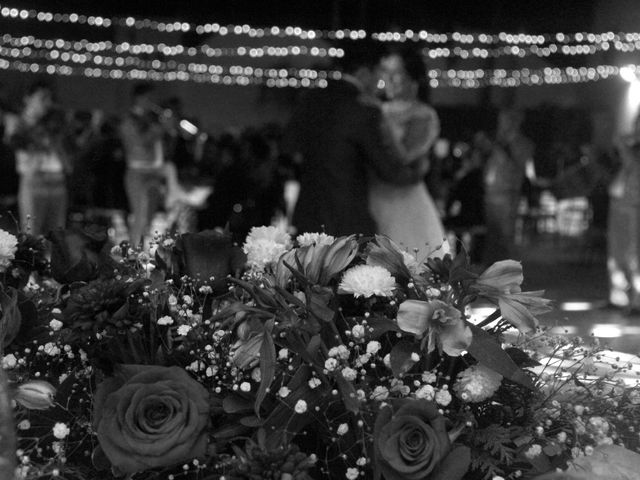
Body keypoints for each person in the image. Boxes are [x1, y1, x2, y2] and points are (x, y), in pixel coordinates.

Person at [284, 40, 428, 237]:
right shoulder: (363, 110)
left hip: (308, 214)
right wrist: (417, 174)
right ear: (363, 73)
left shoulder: (311, 98)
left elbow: (288, 146)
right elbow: (386, 169)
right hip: (347, 219)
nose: (380, 80)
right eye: (377, 72)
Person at [369, 48, 446, 258]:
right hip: (372, 194)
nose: (390, 80)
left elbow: (405, 155)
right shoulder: (378, 108)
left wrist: (383, 124)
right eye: (386, 73)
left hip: (403, 199)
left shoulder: (423, 114)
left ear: (414, 80)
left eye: (397, 74)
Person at [5, 81, 70, 236]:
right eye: (42, 98)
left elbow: (64, 151)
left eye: (49, 99)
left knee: (57, 236)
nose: (47, 104)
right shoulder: (17, 122)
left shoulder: (52, 124)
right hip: (34, 181)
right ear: (28, 98)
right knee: (31, 235)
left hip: (57, 181)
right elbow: (16, 145)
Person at [119, 83, 179, 246]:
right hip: (138, 172)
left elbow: (165, 148)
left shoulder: (150, 119)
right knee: (140, 215)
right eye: (149, 98)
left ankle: (142, 249)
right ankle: (133, 252)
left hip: (154, 170)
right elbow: (139, 143)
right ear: (139, 98)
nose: (153, 102)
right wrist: (160, 128)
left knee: (149, 217)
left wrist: (169, 129)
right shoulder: (129, 120)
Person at [482, 109, 536, 264]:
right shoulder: (496, 143)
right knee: (492, 235)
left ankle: (506, 271)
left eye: (506, 121)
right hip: (491, 192)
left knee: (505, 236)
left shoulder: (523, 144)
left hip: (507, 194)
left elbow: (520, 164)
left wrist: (504, 148)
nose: (502, 125)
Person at [607, 119, 640, 312]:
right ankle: (618, 296)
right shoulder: (632, 146)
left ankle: (637, 299)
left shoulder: (632, 151)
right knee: (617, 253)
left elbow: (629, 159)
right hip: (621, 205)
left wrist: (624, 143)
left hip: (635, 207)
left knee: (635, 253)